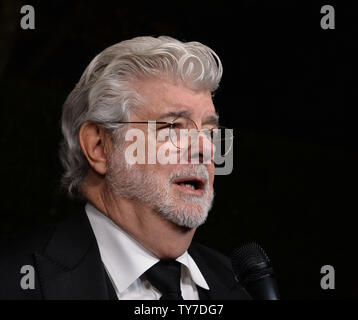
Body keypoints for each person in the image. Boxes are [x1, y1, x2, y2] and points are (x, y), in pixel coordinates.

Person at [0, 36, 250, 300]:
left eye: (210, 132)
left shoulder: (240, 286)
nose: (207, 149)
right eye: (173, 127)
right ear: (99, 146)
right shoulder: (12, 281)